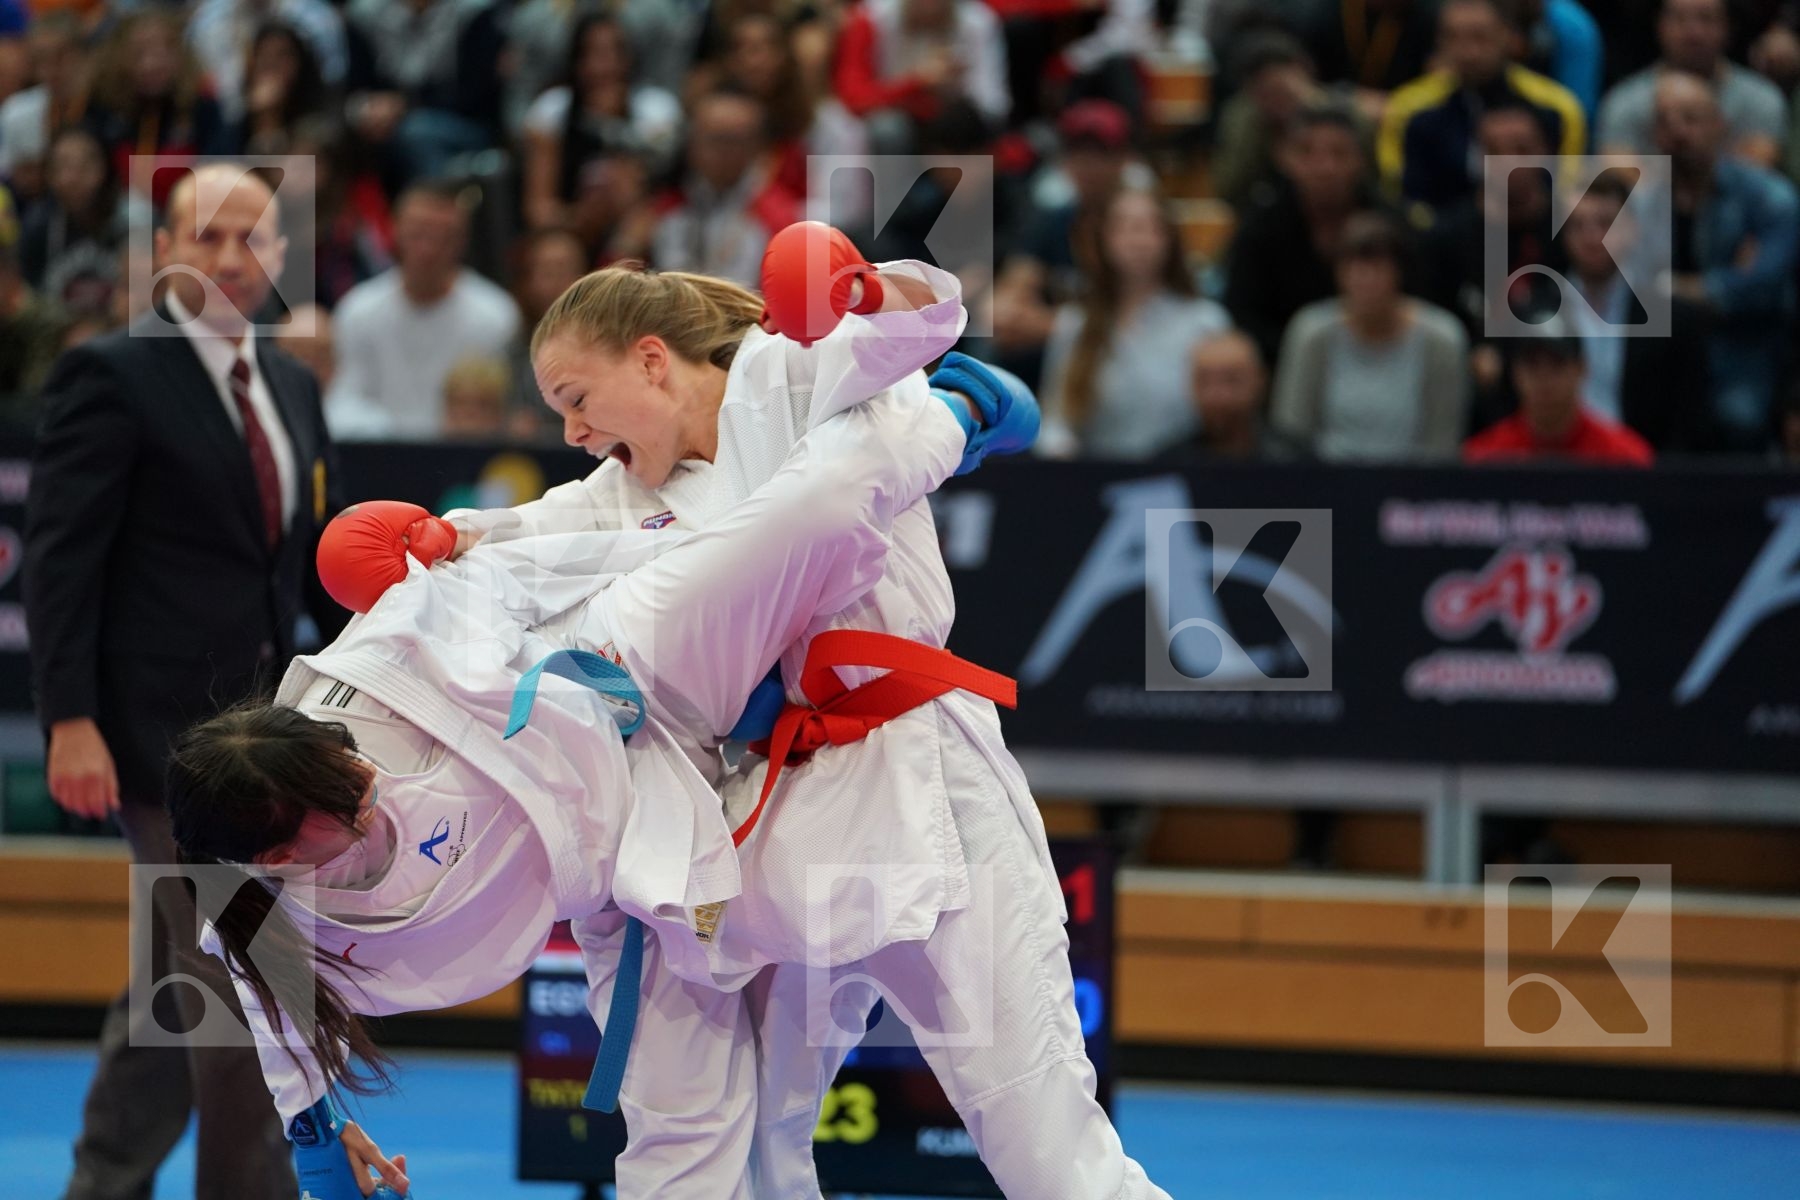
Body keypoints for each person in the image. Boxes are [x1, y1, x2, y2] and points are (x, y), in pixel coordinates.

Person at [460, 230, 1162, 1200]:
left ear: (652, 361)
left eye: (577, 401)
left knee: (1042, 1138)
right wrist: (429, 537)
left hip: (929, 772)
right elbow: (521, 535)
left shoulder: (793, 373)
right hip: (784, 814)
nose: (573, 433)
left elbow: (921, 320)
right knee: (763, 1144)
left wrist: (868, 285)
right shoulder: (622, 494)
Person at [23, 163, 343, 1199]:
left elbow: (292, 569)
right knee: (249, 981)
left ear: (282, 254)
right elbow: (60, 562)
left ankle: (103, 1180)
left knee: (179, 981)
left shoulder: (290, 383)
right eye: (206, 236)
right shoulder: (112, 374)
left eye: (252, 237)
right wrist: (68, 718)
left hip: (261, 735)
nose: (230, 258)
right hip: (154, 742)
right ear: (164, 247)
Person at [1655, 69, 1798, 450]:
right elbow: (1623, 291)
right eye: (1665, 121)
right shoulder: (1638, 201)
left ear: (1720, 126)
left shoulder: (1768, 196)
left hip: (1743, 348)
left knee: (1738, 417)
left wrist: (1669, 288)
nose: (1678, 131)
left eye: (1690, 118)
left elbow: (1761, 288)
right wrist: (1725, 281)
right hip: (1662, 355)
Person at [1038, 183, 1232, 460]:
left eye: (1151, 228)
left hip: (1186, 470)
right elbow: (1056, 419)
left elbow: (1226, 416)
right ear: (1103, 240)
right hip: (1098, 475)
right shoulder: (1075, 323)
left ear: (1170, 240)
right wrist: (1063, 459)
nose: (1138, 240)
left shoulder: (1205, 321)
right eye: (1125, 228)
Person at [325, 179, 521, 439]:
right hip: (377, 457)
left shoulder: (496, 316)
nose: (428, 249)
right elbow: (343, 401)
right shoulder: (357, 310)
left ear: (462, 241)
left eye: (443, 237)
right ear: (395, 231)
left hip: (462, 457)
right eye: (419, 233)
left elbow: (503, 410)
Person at [1270, 209, 1470, 460]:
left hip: (1410, 489)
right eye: (1353, 268)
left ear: (1399, 272)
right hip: (1325, 485)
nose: (1365, 280)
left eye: (1377, 268)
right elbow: (1292, 435)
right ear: (1338, 273)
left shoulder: (1442, 339)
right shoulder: (1310, 333)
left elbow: (1442, 445)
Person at [1378, 0, 1586, 211]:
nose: (1468, 52)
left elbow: (1565, 194)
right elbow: (1403, 201)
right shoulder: (1408, 109)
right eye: (1453, 37)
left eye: (1480, 37)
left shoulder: (1556, 108)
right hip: (1439, 236)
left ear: (1510, 37)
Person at [1224, 100, 1389, 366]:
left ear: (1361, 159)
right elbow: (1243, 318)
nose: (1325, 167)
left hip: (1384, 361)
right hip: (1281, 368)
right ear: (1286, 159)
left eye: (1339, 153)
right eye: (1307, 153)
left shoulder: (1390, 226)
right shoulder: (1260, 229)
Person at [519, 12, 682, 232]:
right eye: (594, 53)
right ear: (576, 60)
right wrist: (581, 218)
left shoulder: (657, 109)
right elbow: (539, 210)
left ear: (629, 57)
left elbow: (666, 190)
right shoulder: (552, 109)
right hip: (574, 229)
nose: (606, 65)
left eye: (615, 52)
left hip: (642, 226)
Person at [1597, 0, 1787, 165]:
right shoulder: (1623, 101)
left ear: (1728, 26)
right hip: (1650, 206)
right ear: (1660, 25)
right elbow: (1619, 175)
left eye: (1706, 19)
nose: (1693, 32)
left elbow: (1757, 170)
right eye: (1679, 19)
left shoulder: (1762, 98)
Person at [649, 86, 800, 286]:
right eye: (715, 139)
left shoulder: (778, 217)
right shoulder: (663, 205)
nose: (724, 152)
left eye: (734, 141)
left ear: (756, 146)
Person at [1464, 326, 1657, 463]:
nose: (1544, 378)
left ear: (1582, 368)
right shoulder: (1483, 459)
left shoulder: (1626, 459)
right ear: (1515, 373)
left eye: (1557, 364)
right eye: (1532, 365)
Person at [1155, 329, 1300, 461]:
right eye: (1204, 381)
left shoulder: (1294, 462)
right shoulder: (1166, 467)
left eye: (1231, 380)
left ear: (1260, 381)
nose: (1217, 395)